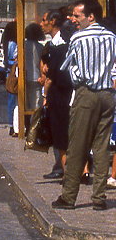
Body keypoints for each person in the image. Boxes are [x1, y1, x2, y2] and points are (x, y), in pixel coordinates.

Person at [52, 0, 116, 212]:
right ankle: (99, 197)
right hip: (107, 95)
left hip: (86, 94)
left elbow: (69, 67)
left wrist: (80, 78)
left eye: (77, 16)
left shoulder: (78, 38)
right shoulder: (111, 37)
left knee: (77, 145)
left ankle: (69, 197)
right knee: (102, 146)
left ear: (91, 17)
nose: (73, 20)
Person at [42, 20, 76, 180]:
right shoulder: (78, 49)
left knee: (61, 135)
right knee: (78, 134)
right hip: (76, 94)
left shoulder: (57, 50)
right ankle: (84, 169)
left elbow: (50, 78)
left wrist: (44, 96)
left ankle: (66, 172)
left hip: (59, 97)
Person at [1, 21, 19, 136]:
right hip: (14, 74)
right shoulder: (13, 43)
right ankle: (13, 125)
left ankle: (12, 124)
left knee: (11, 101)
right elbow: (11, 60)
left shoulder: (8, 43)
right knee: (13, 101)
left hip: (9, 74)